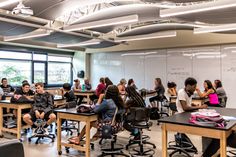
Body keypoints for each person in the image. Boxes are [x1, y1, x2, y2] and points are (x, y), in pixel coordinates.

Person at [176, 77, 208, 153]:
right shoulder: (181, 92)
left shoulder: (189, 93)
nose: (195, 89)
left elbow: (188, 104)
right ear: (188, 85)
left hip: (186, 114)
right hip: (181, 116)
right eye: (194, 87)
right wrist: (200, 106)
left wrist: (193, 105)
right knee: (204, 126)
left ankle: (207, 149)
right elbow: (185, 108)